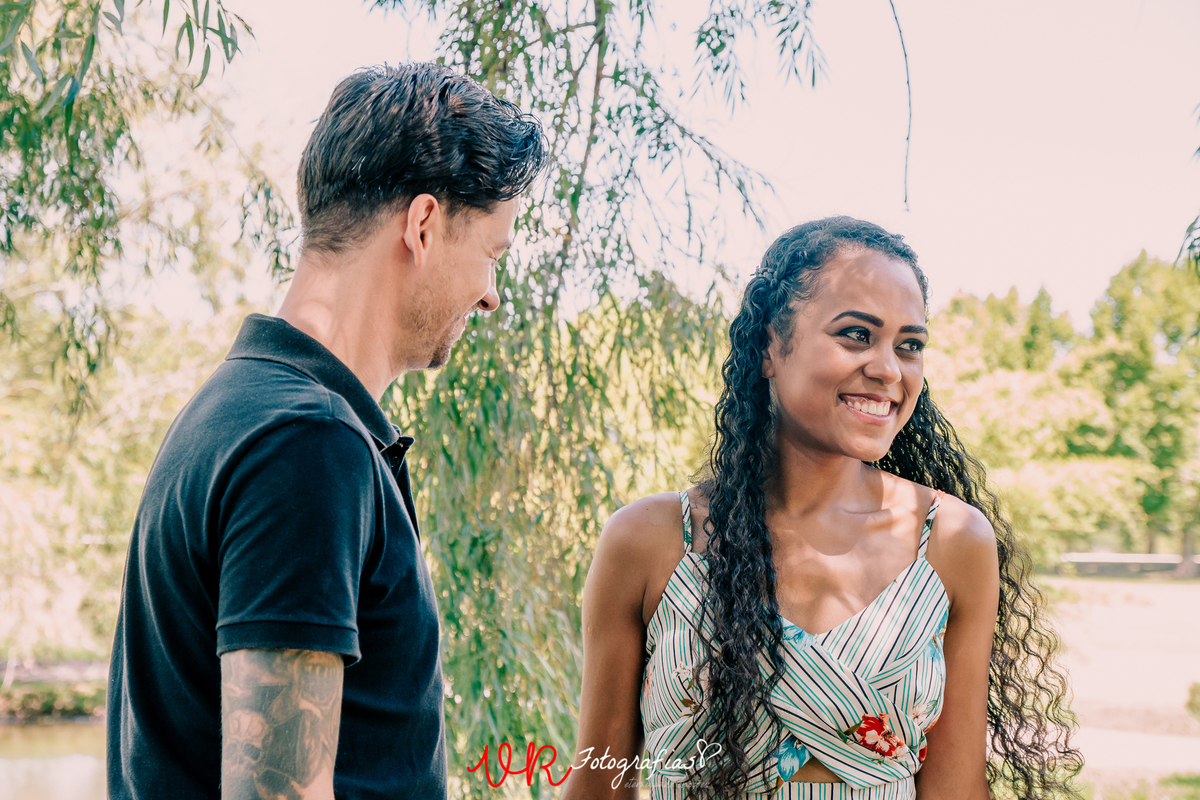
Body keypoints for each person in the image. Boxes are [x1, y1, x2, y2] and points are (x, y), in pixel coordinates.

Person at [107, 63, 547, 800]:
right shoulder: (307, 444)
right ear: (424, 226)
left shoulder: (237, 409)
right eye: (492, 255)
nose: (491, 295)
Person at [563, 217, 1081, 799]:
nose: (889, 369)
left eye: (909, 345)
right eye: (856, 335)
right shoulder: (651, 540)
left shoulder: (951, 542)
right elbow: (598, 784)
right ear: (769, 346)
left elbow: (955, 789)